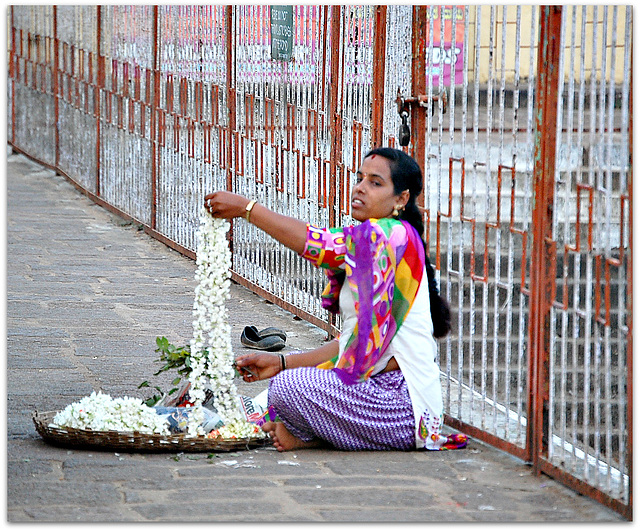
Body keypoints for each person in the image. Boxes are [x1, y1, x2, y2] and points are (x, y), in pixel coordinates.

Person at [204, 147, 465, 452]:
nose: (360, 187)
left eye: (375, 183)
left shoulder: (391, 236)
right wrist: (282, 361)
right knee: (280, 388)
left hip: (403, 408)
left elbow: (322, 245)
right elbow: (350, 343)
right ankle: (307, 435)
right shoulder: (375, 239)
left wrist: (248, 209)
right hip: (378, 398)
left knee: (288, 388)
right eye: (360, 178)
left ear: (401, 199)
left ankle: (304, 435)